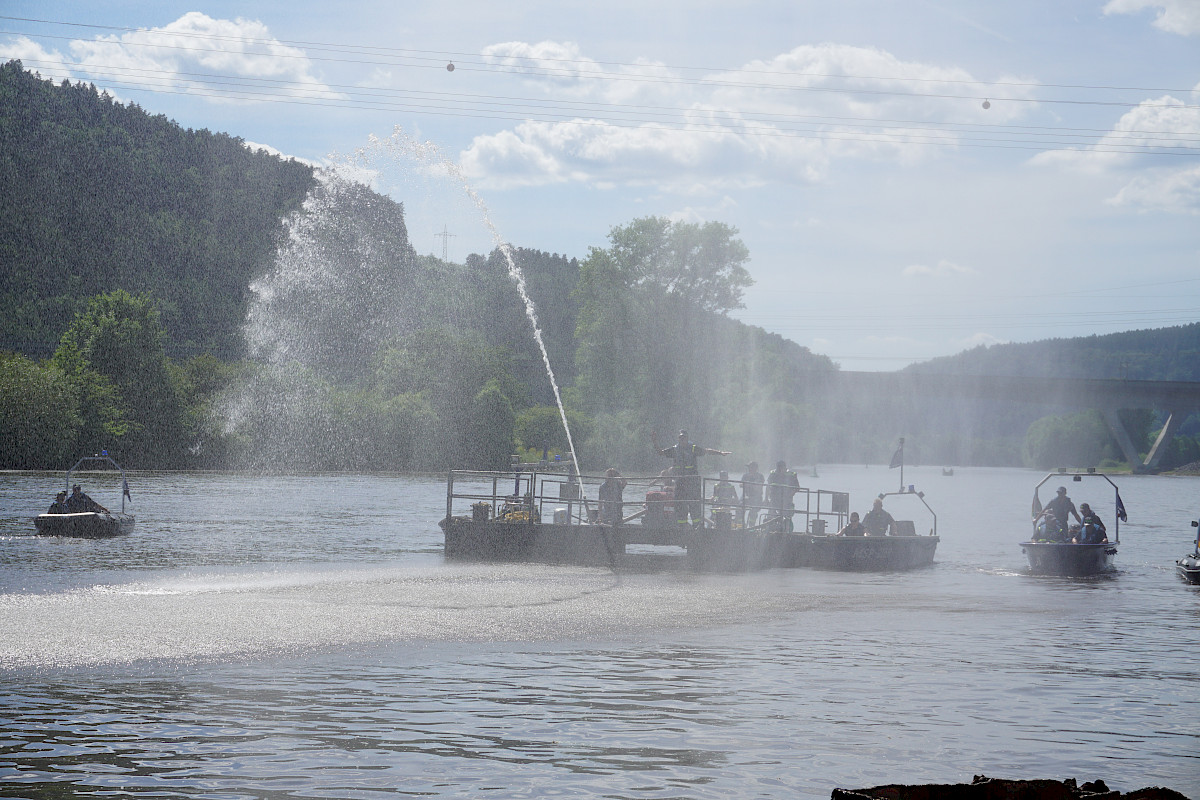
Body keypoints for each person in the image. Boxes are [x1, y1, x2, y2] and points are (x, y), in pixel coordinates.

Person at [654, 430, 731, 527]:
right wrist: (654, 441)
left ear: (687, 438)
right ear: (678, 439)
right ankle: (681, 528)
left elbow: (706, 451)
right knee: (680, 506)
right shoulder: (674, 450)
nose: (682, 440)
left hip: (693, 483)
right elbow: (660, 453)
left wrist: (720, 453)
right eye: (680, 438)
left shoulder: (693, 448)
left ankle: (697, 527)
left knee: (694, 506)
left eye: (684, 437)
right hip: (680, 483)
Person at [767, 460, 801, 531]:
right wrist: (766, 498)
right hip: (774, 499)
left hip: (787, 500)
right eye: (778, 468)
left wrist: (791, 494)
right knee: (771, 515)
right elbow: (768, 486)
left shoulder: (791, 475)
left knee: (787, 515)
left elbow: (797, 488)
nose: (779, 470)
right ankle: (770, 529)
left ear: (784, 467)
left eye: (781, 468)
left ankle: (787, 530)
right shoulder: (773, 474)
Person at [740, 461, 765, 527]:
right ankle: (741, 525)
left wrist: (749, 485)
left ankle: (751, 527)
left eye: (750, 467)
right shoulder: (745, 476)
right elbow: (741, 485)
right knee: (739, 508)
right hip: (746, 496)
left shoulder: (760, 476)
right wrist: (748, 485)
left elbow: (758, 487)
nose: (749, 469)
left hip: (756, 497)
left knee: (753, 512)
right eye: (748, 467)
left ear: (755, 468)